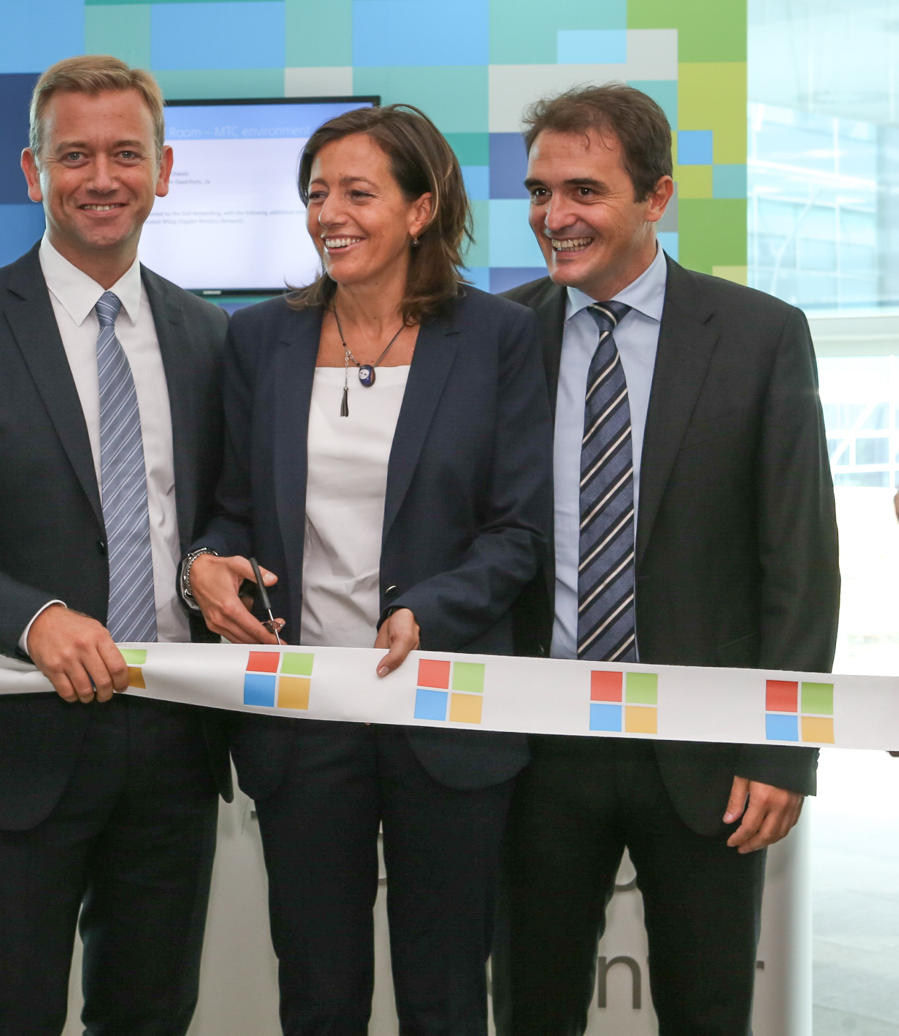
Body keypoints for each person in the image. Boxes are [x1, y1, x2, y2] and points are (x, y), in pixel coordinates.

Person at [0, 55, 230, 1036]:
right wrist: (34, 619)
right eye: (74, 155)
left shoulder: (211, 337)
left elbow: (221, 515)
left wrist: (216, 559)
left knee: (151, 1014)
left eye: (125, 154)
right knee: (9, 1015)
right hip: (17, 745)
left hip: (176, 740)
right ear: (33, 172)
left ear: (164, 170)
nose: (101, 178)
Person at [185, 104, 551, 1036]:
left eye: (358, 193)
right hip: (304, 711)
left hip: (445, 705)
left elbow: (517, 530)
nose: (329, 214)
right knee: (318, 994)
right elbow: (231, 507)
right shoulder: (259, 338)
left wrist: (429, 607)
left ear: (422, 210)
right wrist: (206, 565)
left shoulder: (501, 337)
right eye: (317, 194)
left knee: (446, 997)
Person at [493, 84, 840, 1035]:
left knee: (707, 1010)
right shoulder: (500, 336)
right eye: (539, 192)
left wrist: (783, 749)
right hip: (536, 751)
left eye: (584, 191)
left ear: (657, 198)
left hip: (706, 753)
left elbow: (801, 562)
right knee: (530, 1009)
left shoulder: (762, 336)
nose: (554, 216)